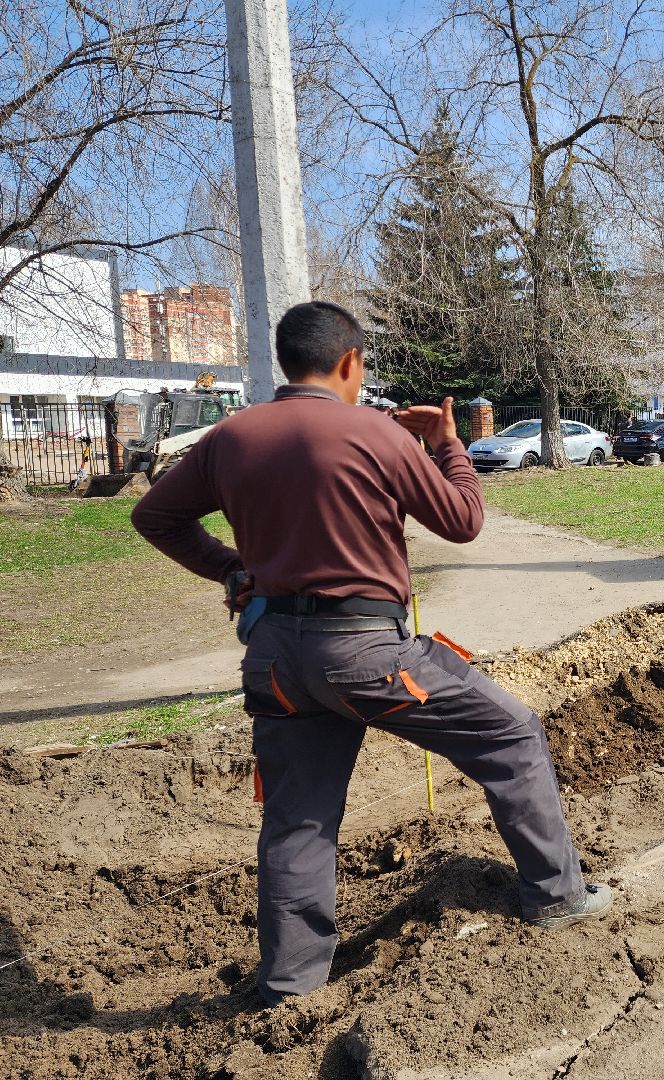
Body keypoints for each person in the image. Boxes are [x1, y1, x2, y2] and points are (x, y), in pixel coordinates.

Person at [131, 301, 610, 1007]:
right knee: (510, 735)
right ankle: (555, 893)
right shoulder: (373, 433)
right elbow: (464, 520)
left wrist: (234, 570)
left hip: (274, 663)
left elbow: (155, 516)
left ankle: (290, 984)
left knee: (298, 819)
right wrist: (446, 443)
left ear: (288, 361)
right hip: (366, 655)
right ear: (349, 362)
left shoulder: (230, 438)